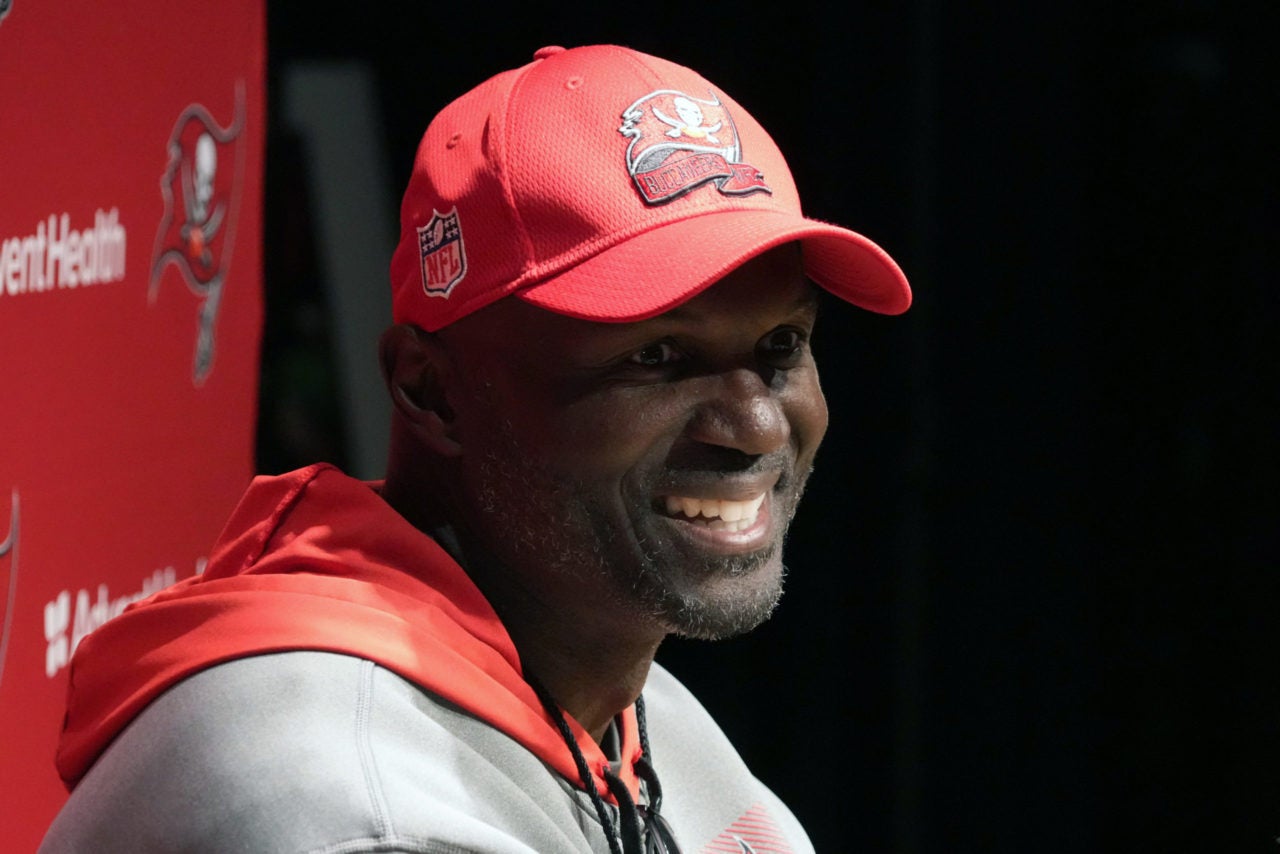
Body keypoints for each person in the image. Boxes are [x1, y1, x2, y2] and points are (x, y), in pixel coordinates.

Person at [40, 44, 910, 853]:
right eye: (657, 357)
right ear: (431, 391)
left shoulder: (626, 709)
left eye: (780, 348)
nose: (757, 427)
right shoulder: (355, 806)